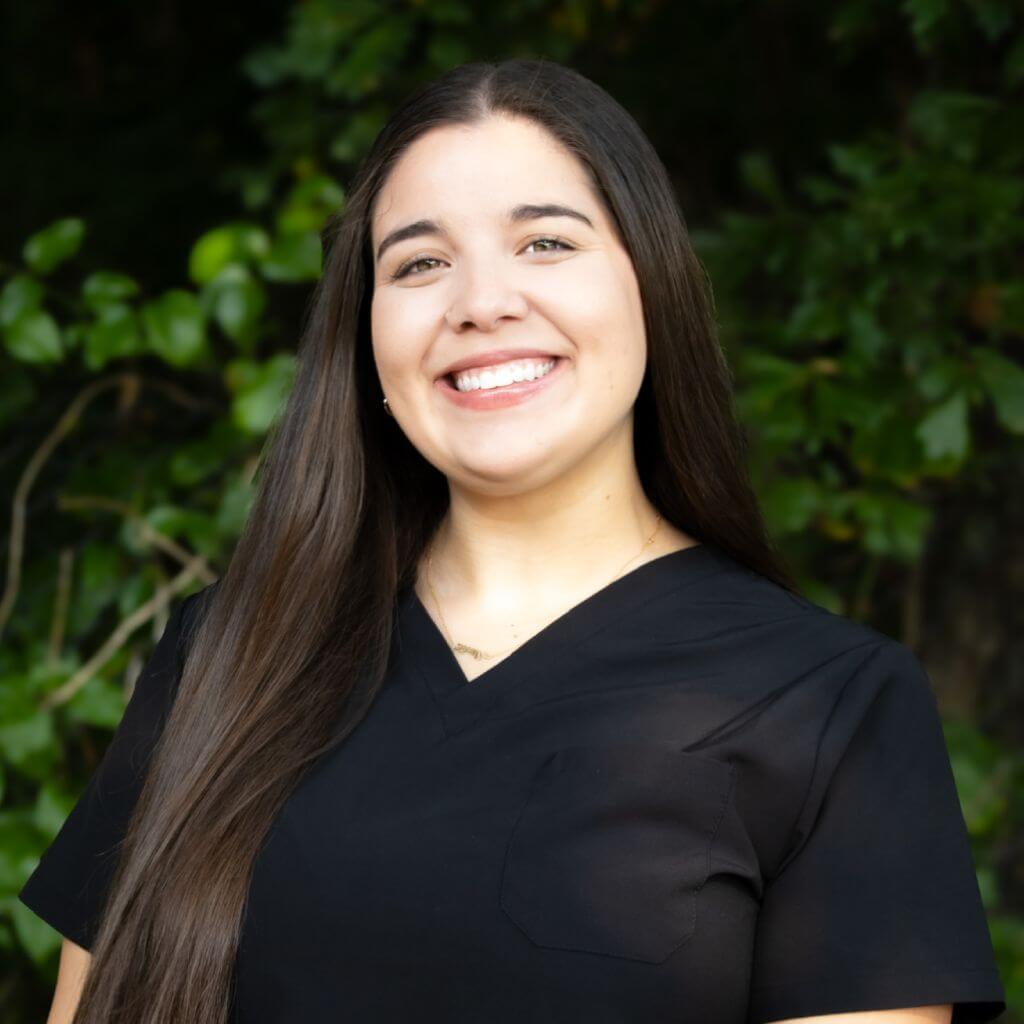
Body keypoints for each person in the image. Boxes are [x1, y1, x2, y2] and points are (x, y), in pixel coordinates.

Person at [19, 58, 1006, 1024]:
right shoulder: (227, 655)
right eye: (419, 262)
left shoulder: (830, 701)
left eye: (544, 244)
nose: (481, 302)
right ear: (366, 338)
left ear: (648, 282)